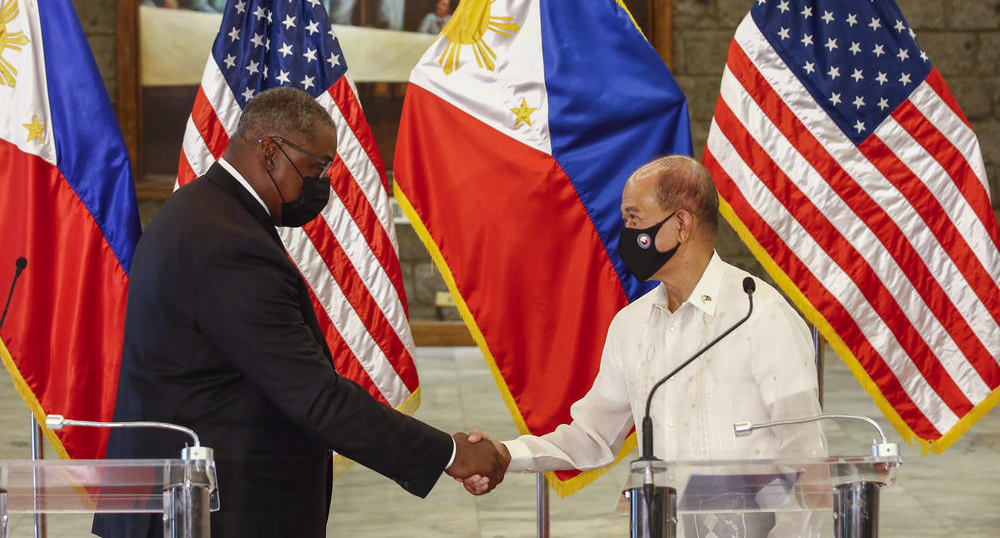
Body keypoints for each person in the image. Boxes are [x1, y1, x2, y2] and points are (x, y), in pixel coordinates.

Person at [94, 88, 506, 538]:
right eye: (315, 168)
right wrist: (449, 454)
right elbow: (314, 396)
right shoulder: (227, 243)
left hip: (197, 502)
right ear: (270, 151)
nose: (321, 185)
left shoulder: (203, 211)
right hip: (208, 512)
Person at [465, 156, 825, 535]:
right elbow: (593, 436)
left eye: (634, 220)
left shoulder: (761, 315)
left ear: (681, 224)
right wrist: (506, 454)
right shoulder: (632, 324)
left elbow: (807, 459)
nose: (626, 234)